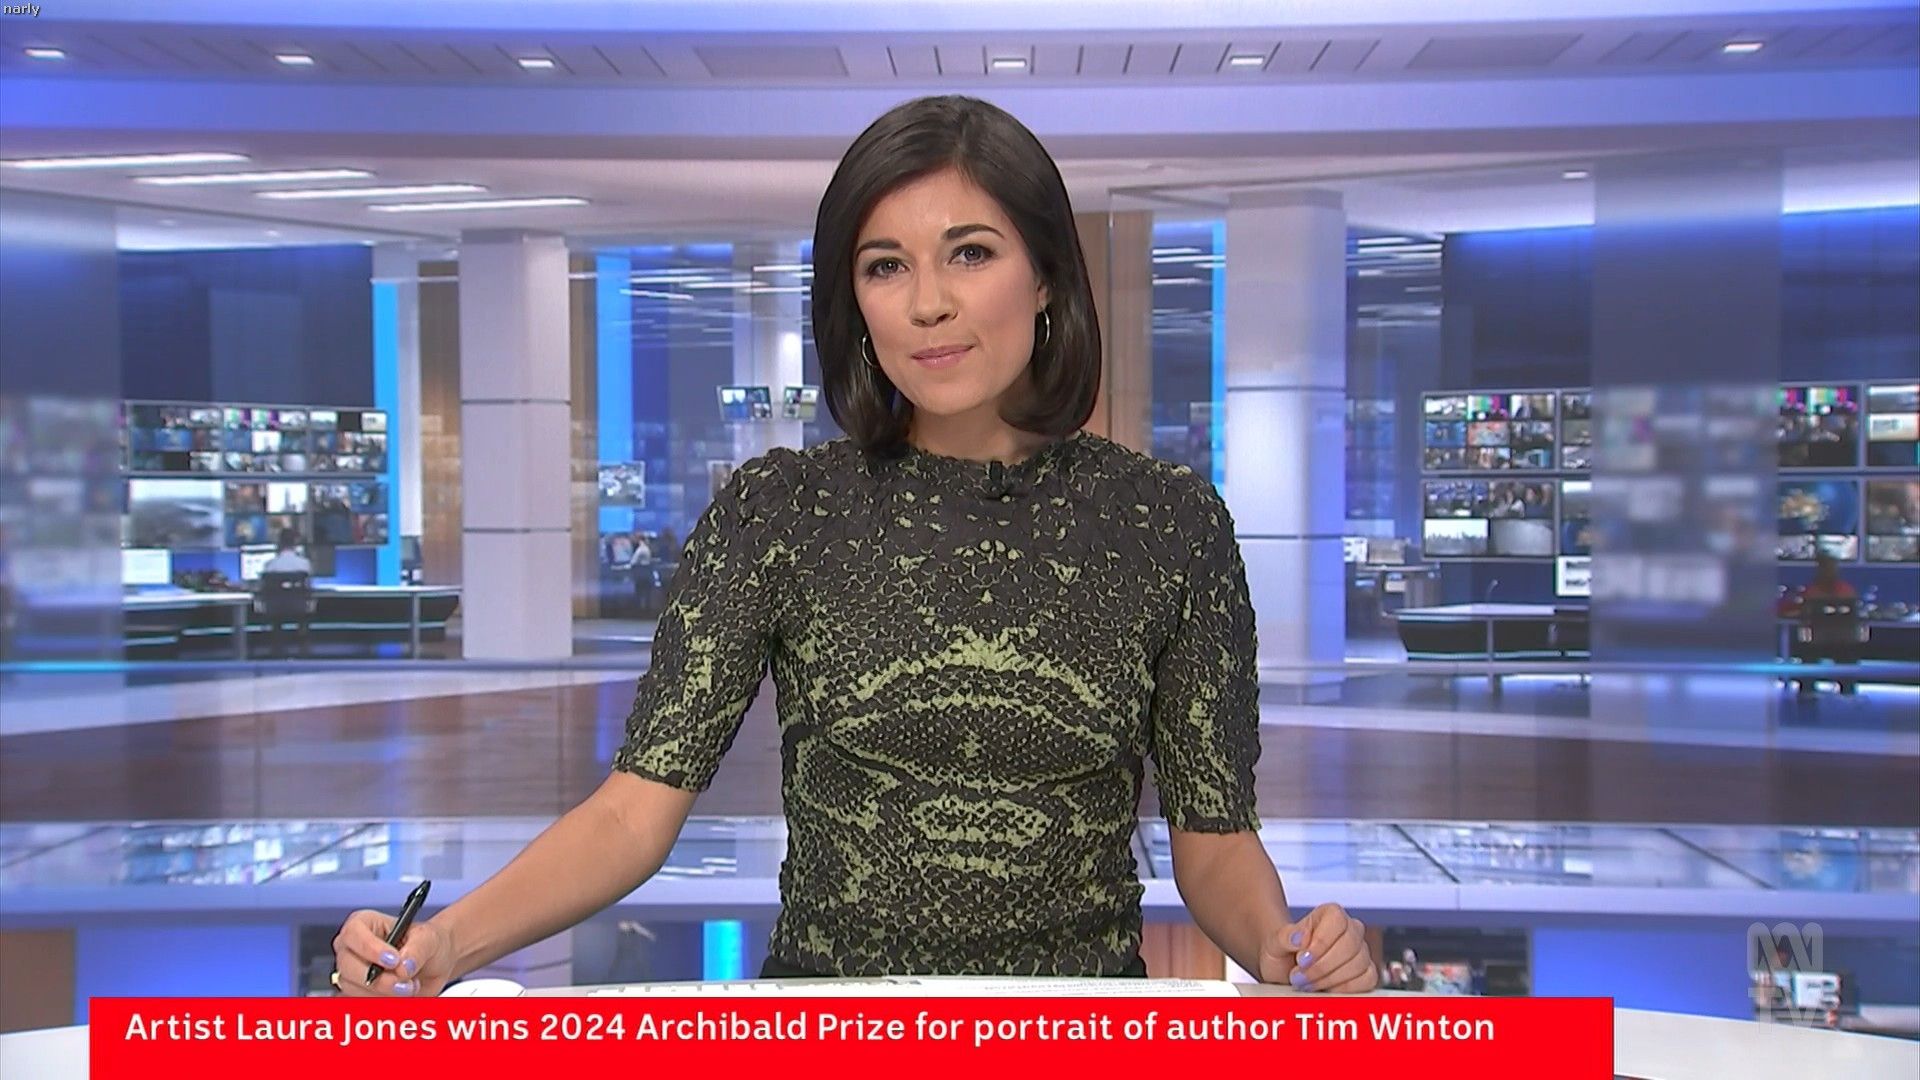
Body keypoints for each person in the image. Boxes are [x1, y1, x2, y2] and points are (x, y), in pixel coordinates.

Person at [332, 95, 1377, 996]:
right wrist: (445, 944)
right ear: (855, 300)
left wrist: (1288, 949)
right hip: (836, 1033)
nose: (929, 303)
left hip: (1071, 1034)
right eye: (887, 266)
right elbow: (632, 816)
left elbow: (1214, 842)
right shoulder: (782, 511)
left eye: (971, 252)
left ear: (1048, 278)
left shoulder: (1167, 522)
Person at [1795, 551, 1860, 696]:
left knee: (1809, 655)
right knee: (1810, 655)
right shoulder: (1845, 590)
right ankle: (1845, 693)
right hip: (1832, 642)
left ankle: (1808, 692)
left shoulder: (1815, 592)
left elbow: (1803, 615)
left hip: (1827, 642)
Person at [258, 529, 314, 658]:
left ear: (279, 544)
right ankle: (303, 648)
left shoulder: (270, 565)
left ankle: (276, 649)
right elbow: (309, 587)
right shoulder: (304, 564)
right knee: (303, 616)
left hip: (275, 609)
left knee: (276, 617)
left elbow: (263, 590)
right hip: (299, 607)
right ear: (295, 544)